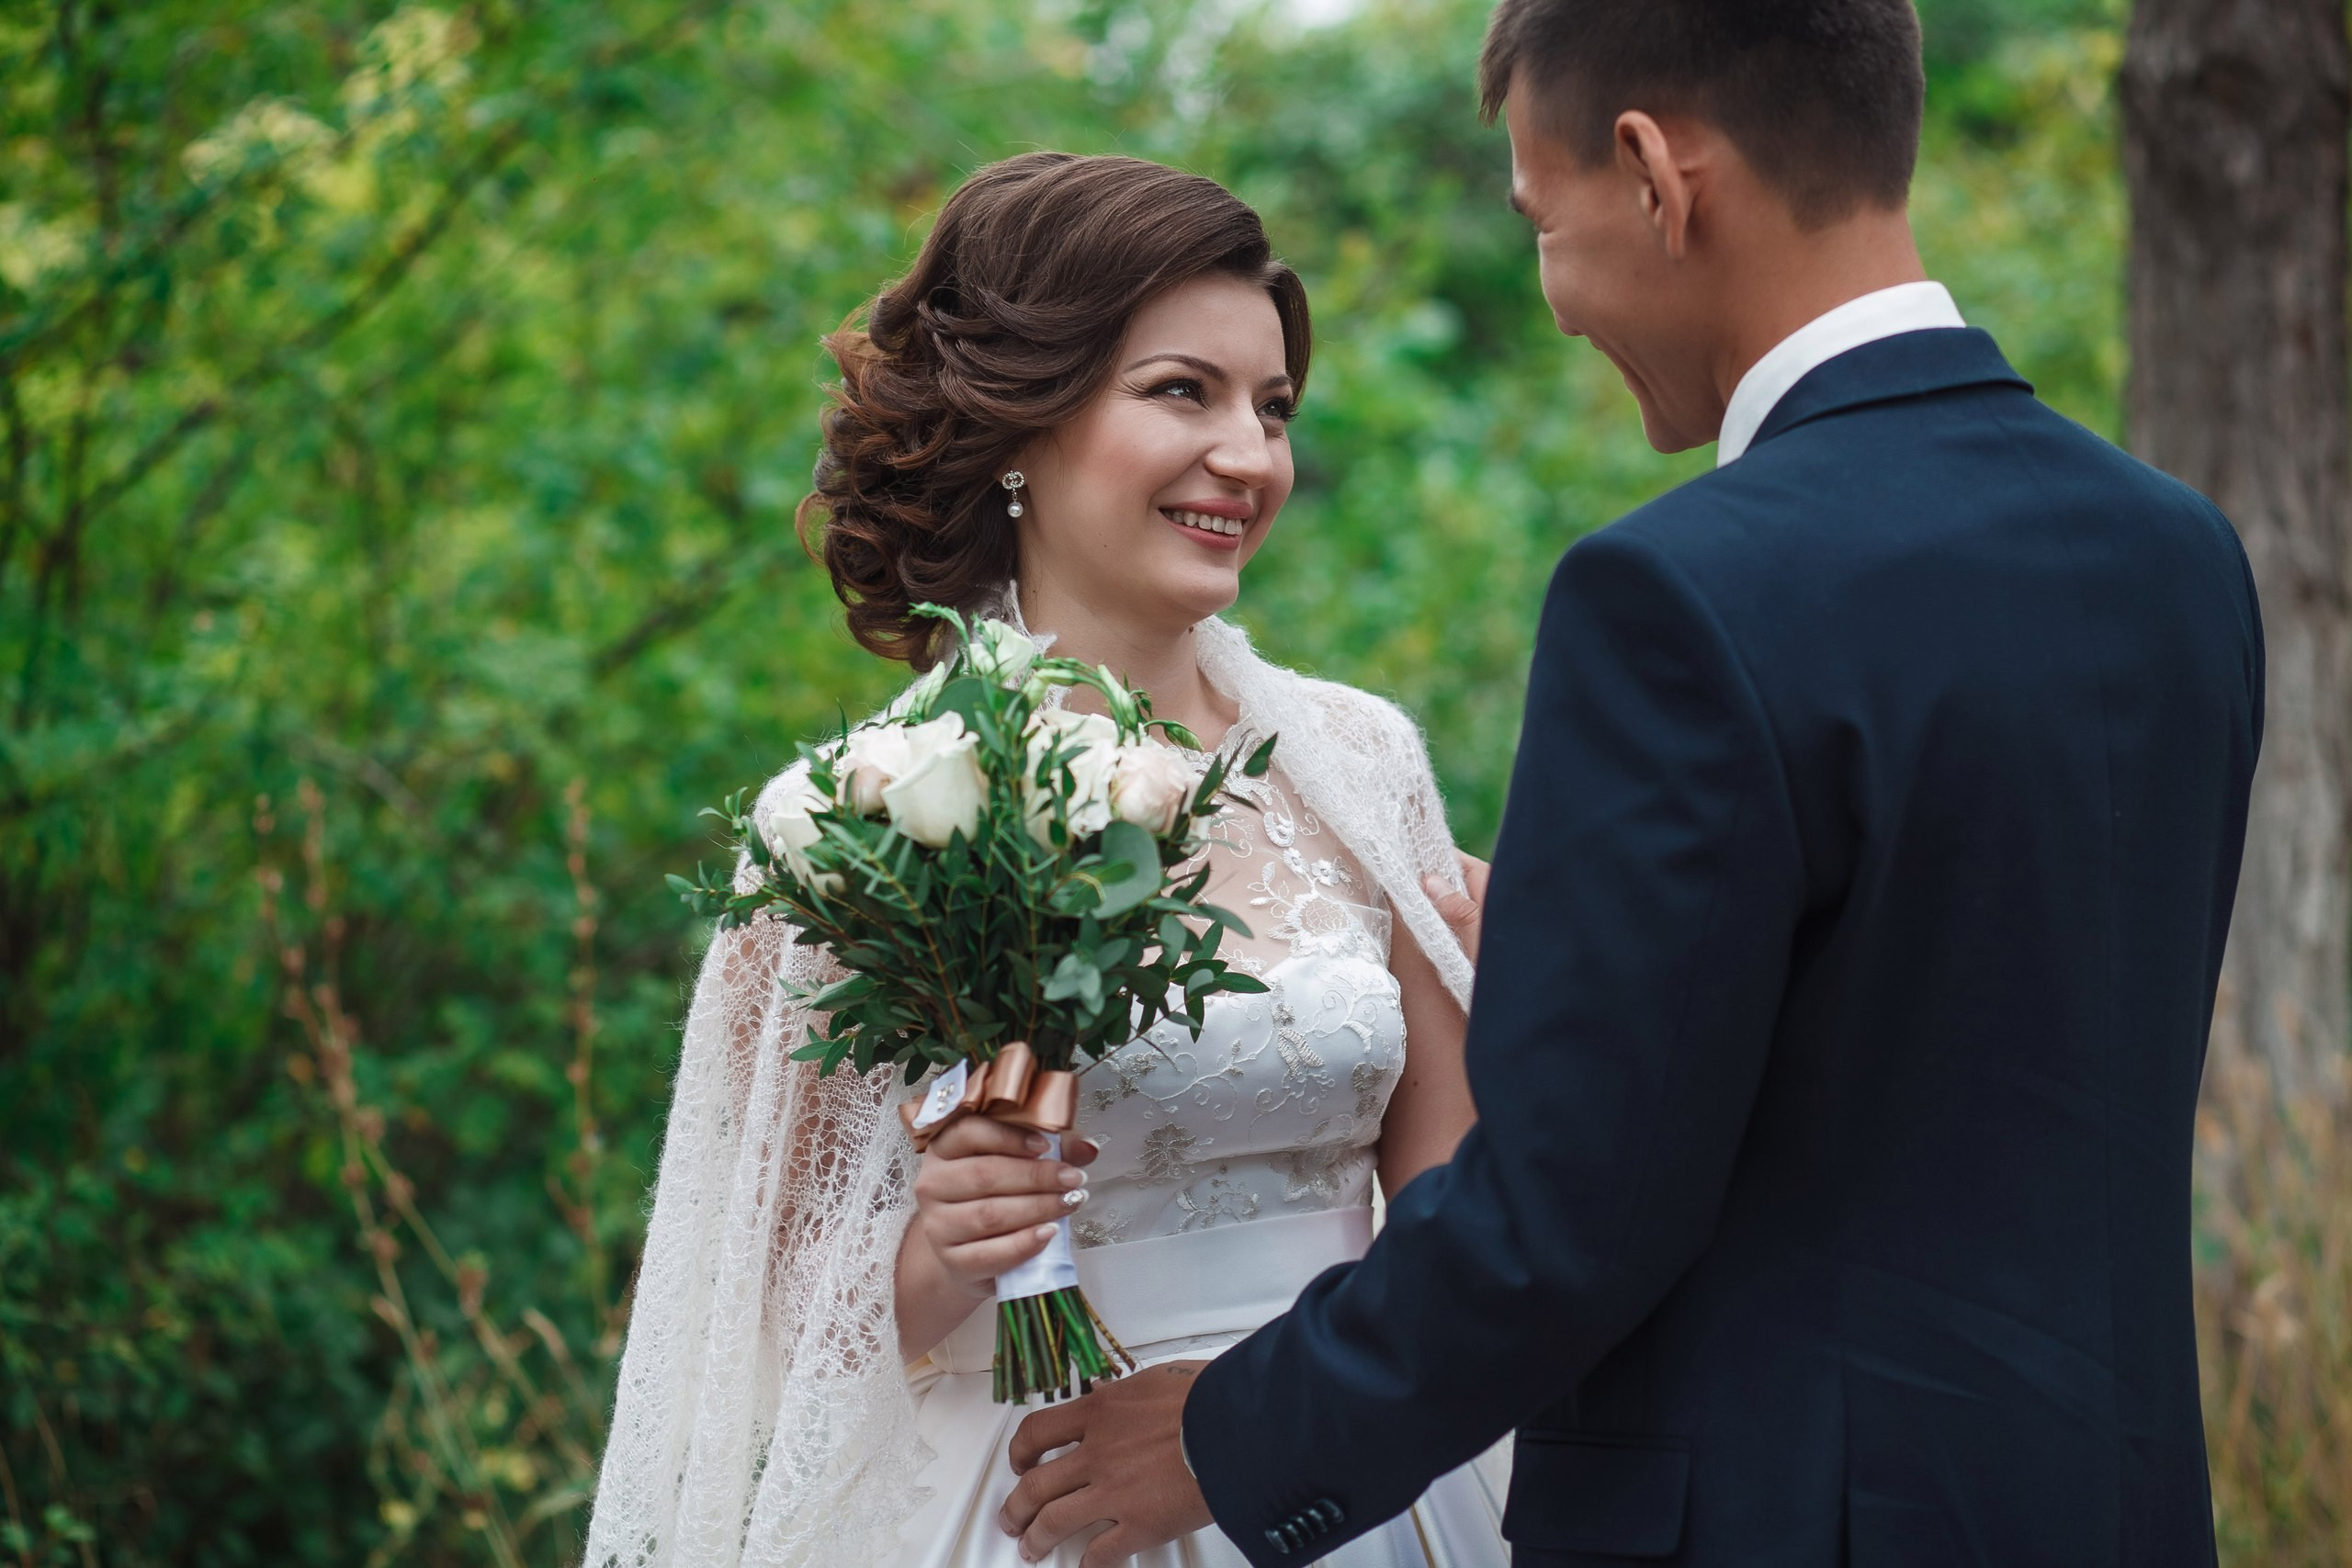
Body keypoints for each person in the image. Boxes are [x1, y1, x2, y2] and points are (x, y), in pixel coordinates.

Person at [996, 3, 2263, 1565]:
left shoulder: (1682, 596)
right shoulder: (2176, 558)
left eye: (1543, 221)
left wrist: (1221, 1438)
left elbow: (1568, 1213)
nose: (1555, 296)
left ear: (1658, 176)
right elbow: (1964, 1029)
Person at [581, 152, 1510, 1568]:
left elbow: (1446, 1190)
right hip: (1030, 1505)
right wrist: (938, 1251)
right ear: (1023, 423)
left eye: (1272, 408)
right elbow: (753, 1324)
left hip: (1348, 1486)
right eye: (1181, 392)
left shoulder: (1360, 758)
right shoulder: (851, 817)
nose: (1251, 458)